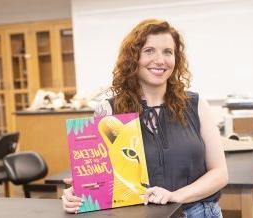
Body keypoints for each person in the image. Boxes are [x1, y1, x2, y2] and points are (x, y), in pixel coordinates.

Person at [62, 19, 228, 217]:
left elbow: (220, 173)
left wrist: (175, 196)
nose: (160, 60)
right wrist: (79, 193)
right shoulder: (108, 111)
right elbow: (98, 179)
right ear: (133, 58)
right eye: (149, 51)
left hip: (200, 213)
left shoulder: (196, 104)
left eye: (168, 52)